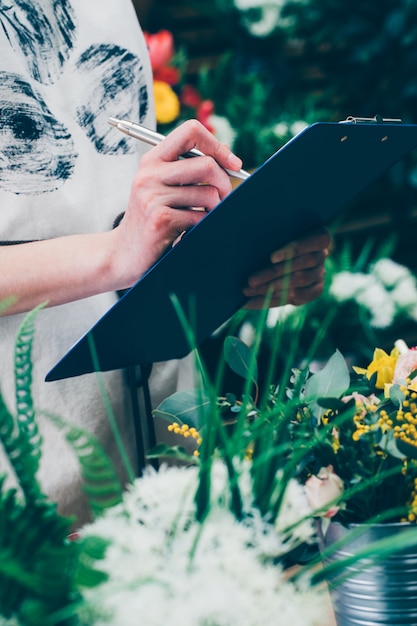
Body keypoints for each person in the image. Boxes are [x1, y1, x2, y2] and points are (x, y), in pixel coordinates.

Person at [0, 0, 330, 526]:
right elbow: (118, 247)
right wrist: (115, 254)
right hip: (32, 468)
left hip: (166, 428)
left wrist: (244, 263)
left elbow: (119, 213)